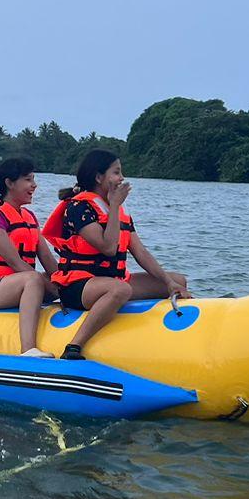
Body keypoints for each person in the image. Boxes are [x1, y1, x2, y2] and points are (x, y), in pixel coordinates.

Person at [44, 148, 189, 360]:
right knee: (120, 289)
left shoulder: (119, 211)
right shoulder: (78, 208)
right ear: (98, 177)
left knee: (179, 280)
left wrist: (168, 282)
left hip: (112, 281)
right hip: (77, 286)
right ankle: (74, 345)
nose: (122, 178)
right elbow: (108, 247)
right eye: (116, 172)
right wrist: (113, 205)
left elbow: (139, 251)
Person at [0, 156, 56, 358]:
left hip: (19, 284)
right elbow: (14, 262)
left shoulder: (30, 217)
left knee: (56, 279)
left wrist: (66, 284)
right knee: (35, 278)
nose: (34, 185)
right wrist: (45, 284)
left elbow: (48, 259)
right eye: (28, 179)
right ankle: (28, 348)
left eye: (34, 179)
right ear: (9, 183)